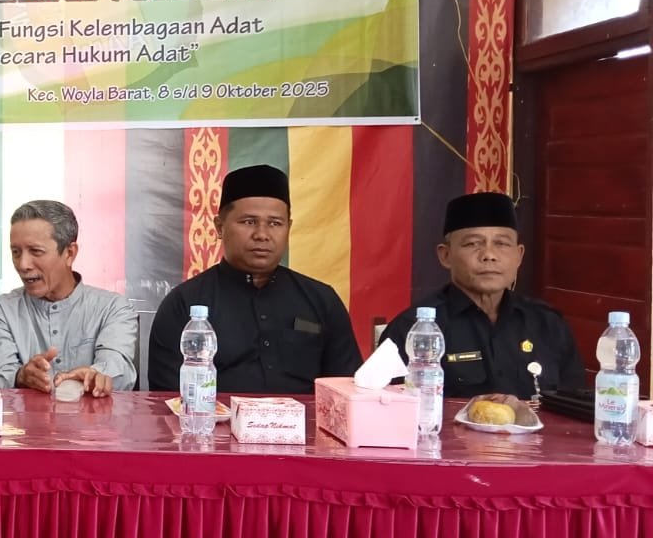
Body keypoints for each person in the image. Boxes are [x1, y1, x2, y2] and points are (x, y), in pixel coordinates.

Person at [147, 164, 362, 393]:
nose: (262, 234)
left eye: (275, 223)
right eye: (249, 222)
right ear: (219, 227)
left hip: (307, 417)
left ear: (288, 228)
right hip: (212, 417)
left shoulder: (321, 300)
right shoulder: (184, 303)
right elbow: (166, 397)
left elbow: (346, 390)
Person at [382, 191, 586, 400]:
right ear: (446, 256)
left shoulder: (548, 324)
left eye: (502, 244)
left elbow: (574, 405)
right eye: (473, 243)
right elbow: (384, 408)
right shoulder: (412, 329)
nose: (489, 255)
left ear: (519, 255)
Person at [0, 199, 138, 395]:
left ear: (69, 253)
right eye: (16, 252)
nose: (23, 264)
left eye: (36, 251)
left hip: (93, 415)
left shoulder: (112, 308)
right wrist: (21, 376)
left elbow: (119, 371)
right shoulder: (0, 311)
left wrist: (95, 376)